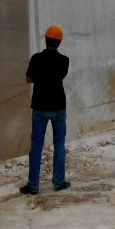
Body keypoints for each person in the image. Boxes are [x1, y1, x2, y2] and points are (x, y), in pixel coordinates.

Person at [20, 25, 70, 195]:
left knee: (36, 145)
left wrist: (40, 78)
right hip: (58, 106)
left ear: (46, 40)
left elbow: (28, 79)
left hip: (40, 107)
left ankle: (33, 185)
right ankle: (59, 182)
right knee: (59, 143)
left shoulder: (36, 58)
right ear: (59, 42)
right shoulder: (64, 60)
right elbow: (61, 76)